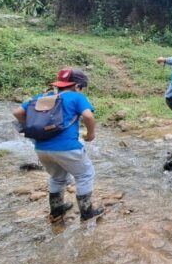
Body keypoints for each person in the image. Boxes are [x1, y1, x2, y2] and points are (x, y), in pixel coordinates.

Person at [12, 69, 104, 222]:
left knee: (57, 178)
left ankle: (56, 211)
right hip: (68, 147)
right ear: (77, 85)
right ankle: (87, 212)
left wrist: (36, 129)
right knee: (84, 175)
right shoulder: (76, 97)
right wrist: (91, 134)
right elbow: (88, 115)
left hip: (41, 148)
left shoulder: (43, 97)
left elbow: (17, 112)